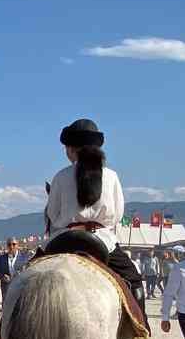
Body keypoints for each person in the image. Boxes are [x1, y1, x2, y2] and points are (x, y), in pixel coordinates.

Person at [42, 118, 131, 286]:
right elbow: (118, 215)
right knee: (134, 282)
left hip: (65, 239)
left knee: (27, 276)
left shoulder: (60, 176)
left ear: (71, 149)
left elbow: (52, 214)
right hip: (102, 241)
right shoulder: (112, 176)